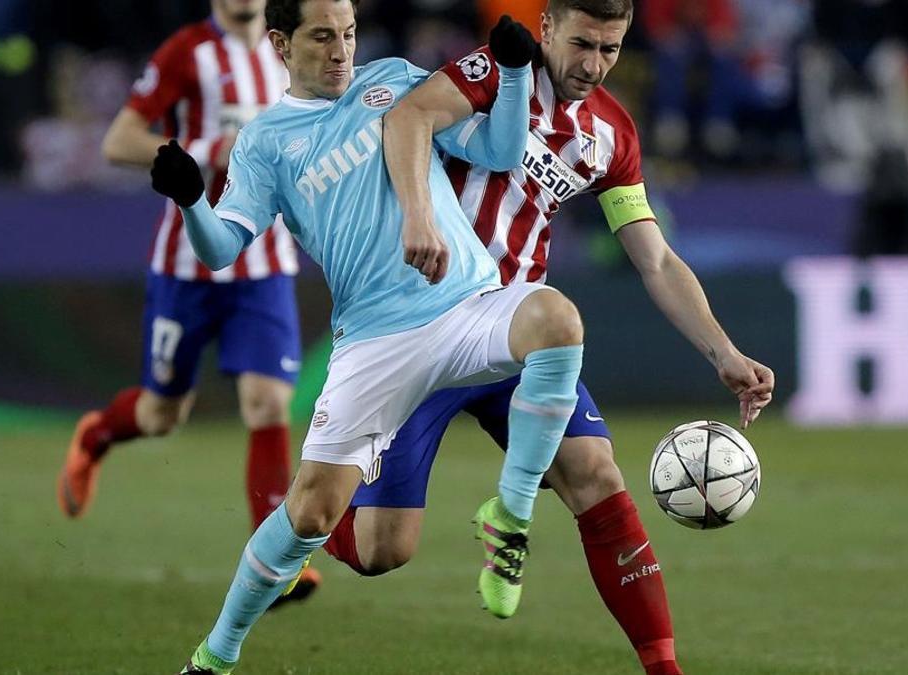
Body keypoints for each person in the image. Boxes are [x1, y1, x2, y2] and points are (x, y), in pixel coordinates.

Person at [321, 1, 776, 673]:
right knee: (383, 549)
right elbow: (410, 115)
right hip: (419, 326)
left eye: (612, 50)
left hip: (512, 333)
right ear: (547, 31)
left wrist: (723, 351)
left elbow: (654, 257)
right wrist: (418, 214)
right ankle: (312, 501)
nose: (594, 65)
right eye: (583, 44)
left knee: (595, 472)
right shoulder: (492, 74)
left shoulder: (611, 134)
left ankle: (663, 666)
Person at [154, 3, 568, 673]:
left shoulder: (396, 80)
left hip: (466, 304)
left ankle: (510, 515)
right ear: (282, 43)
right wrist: (192, 202)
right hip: (375, 343)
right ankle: (215, 655)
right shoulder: (266, 142)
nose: (341, 50)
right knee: (317, 516)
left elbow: (496, 149)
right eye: (323, 36)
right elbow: (222, 249)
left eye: (347, 33)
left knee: (557, 320)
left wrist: (516, 72)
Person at [53, 0, 321, 602]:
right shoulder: (187, 52)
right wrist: (201, 155)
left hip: (264, 261)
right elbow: (118, 141)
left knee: (267, 400)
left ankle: (275, 565)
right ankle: (97, 434)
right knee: (161, 414)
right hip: (189, 263)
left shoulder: (295, 49)